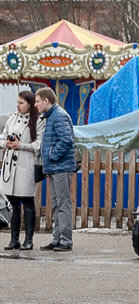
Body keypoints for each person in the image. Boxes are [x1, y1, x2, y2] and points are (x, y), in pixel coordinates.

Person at [1, 90, 44, 251]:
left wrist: (21, 146)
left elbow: (39, 144)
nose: (18, 106)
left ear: (29, 104)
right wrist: (7, 144)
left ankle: (29, 239)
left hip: (26, 164)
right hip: (10, 166)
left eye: (21, 103)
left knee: (27, 202)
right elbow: (2, 137)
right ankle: (14, 239)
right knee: (12, 203)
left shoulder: (37, 121)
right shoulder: (12, 118)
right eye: (17, 102)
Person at [34, 87, 76, 252]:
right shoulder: (51, 116)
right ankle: (58, 238)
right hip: (55, 167)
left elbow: (66, 140)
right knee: (57, 204)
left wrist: (51, 155)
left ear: (46, 100)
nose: (35, 105)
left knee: (63, 203)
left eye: (38, 101)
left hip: (61, 166)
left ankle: (65, 240)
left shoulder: (58, 116)